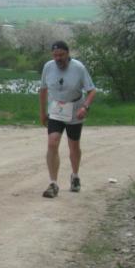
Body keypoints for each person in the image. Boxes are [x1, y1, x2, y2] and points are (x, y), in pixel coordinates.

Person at [38, 40, 97, 198]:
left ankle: (75, 176)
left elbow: (92, 91)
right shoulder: (48, 67)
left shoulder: (78, 68)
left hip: (75, 111)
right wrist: (42, 112)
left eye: (61, 55)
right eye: (55, 55)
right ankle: (53, 183)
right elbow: (43, 90)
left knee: (74, 146)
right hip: (56, 110)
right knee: (52, 143)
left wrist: (85, 107)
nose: (58, 58)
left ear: (68, 53)